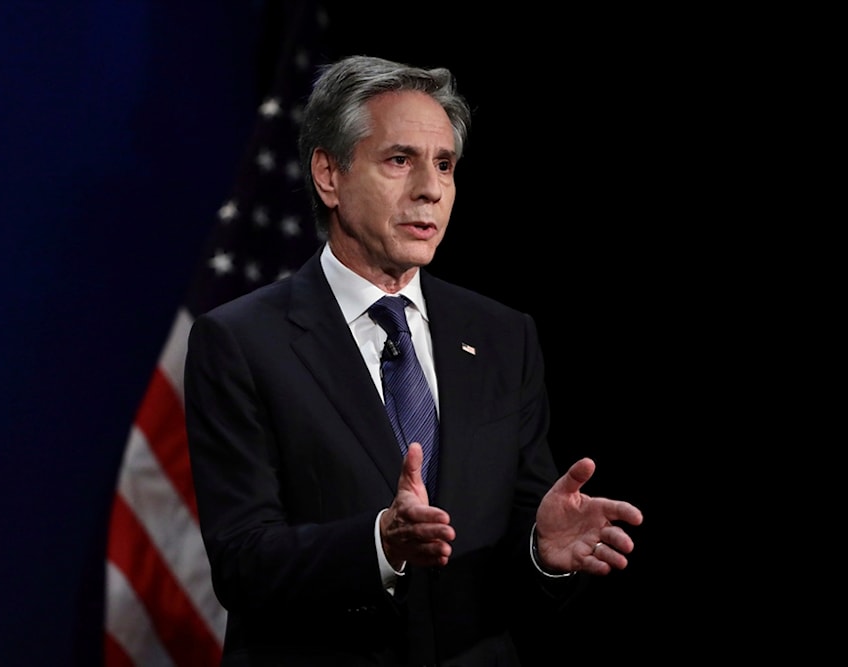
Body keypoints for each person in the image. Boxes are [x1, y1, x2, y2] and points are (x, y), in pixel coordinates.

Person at [184, 54, 644, 666]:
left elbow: (510, 566)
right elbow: (242, 564)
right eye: (400, 160)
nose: (430, 189)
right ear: (330, 174)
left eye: (445, 165)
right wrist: (379, 544)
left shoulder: (505, 337)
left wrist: (541, 550)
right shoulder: (241, 342)